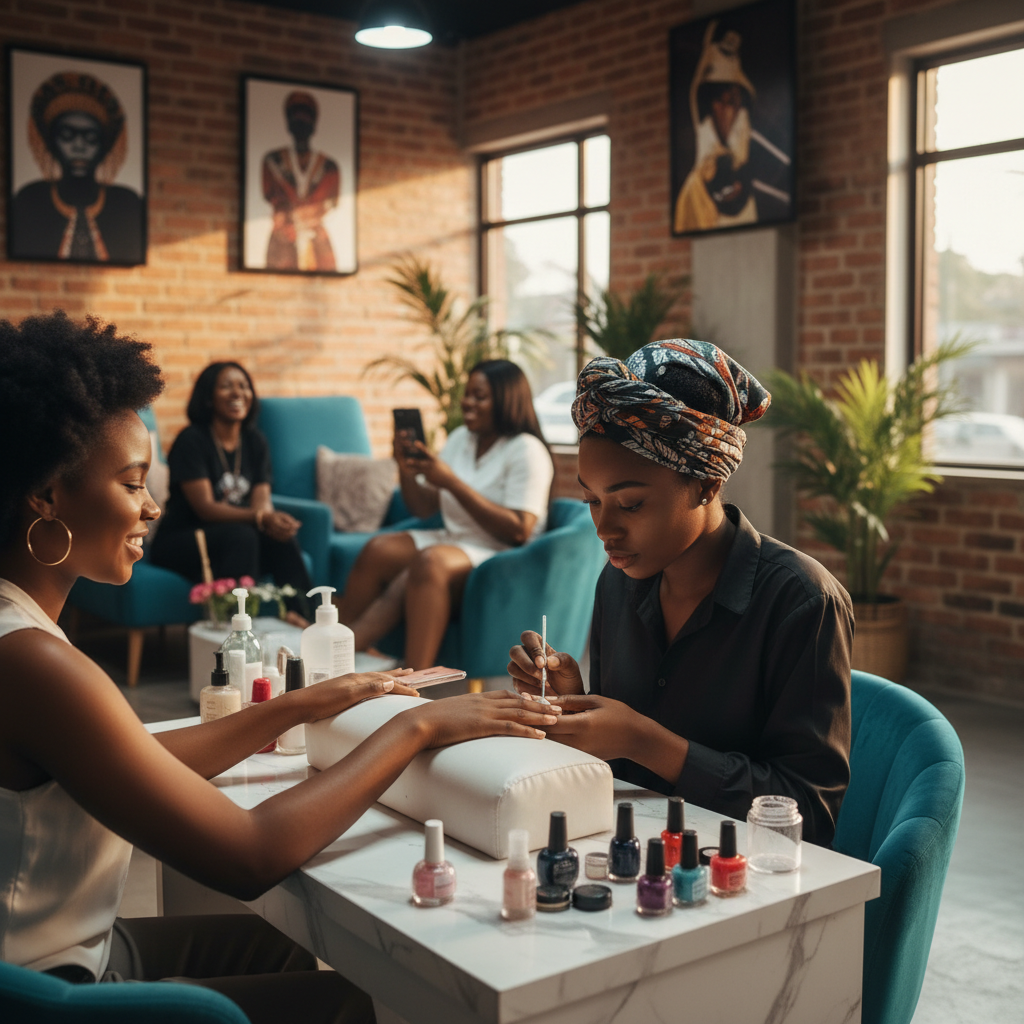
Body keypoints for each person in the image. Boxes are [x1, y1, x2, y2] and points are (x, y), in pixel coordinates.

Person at [0, 311, 558, 1023]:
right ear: (46, 495)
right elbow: (251, 855)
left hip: (57, 951)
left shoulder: (21, 634)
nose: (153, 506)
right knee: (361, 1002)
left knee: (281, 948)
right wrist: (415, 729)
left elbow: (127, 755)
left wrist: (306, 702)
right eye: (134, 483)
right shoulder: (37, 665)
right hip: (55, 990)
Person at [508, 340, 853, 846]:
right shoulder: (618, 583)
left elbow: (810, 813)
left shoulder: (802, 602)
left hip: (742, 880)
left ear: (707, 483)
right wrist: (577, 705)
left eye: (629, 504)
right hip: (632, 855)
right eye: (591, 500)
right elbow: (620, 771)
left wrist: (646, 742)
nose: (604, 530)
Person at [337, 360, 554, 670]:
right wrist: (406, 468)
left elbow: (519, 530)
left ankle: (415, 679)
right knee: (378, 549)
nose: (467, 402)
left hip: (502, 553)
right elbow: (424, 507)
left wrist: (451, 481)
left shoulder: (526, 450)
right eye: (467, 394)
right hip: (455, 538)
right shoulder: (459, 440)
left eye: (479, 396)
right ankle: (338, 655)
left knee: (430, 561)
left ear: (506, 400)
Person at [150, 361, 310, 624]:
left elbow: (261, 500)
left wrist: (270, 521)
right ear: (209, 397)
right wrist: (260, 519)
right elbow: (205, 507)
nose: (238, 393)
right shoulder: (192, 440)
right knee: (243, 535)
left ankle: (303, 618)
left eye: (244, 386)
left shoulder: (255, 441)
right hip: (182, 540)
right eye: (226, 387)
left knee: (281, 537)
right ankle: (235, 629)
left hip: (232, 543)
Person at [10, 71, 143, 263]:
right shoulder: (30, 199)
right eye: (67, 135)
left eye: (90, 137)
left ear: (104, 146)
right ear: (50, 142)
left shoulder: (126, 203)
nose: (79, 146)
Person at [674, 22, 757, 233]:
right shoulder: (695, 191)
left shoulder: (744, 175)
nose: (731, 112)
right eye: (724, 102)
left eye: (735, 104)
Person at [262, 91, 340, 272]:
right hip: (284, 240)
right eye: (295, 115)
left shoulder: (330, 166)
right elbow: (274, 200)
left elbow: (329, 203)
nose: (301, 120)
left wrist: (307, 217)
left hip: (317, 243)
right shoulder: (272, 161)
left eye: (306, 115)